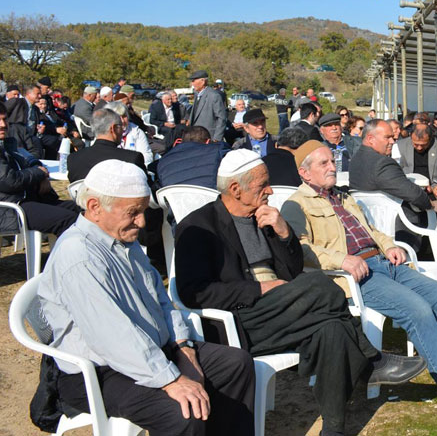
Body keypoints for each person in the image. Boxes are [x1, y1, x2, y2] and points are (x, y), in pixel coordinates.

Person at [176, 150, 424, 436]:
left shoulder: (264, 217)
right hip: (241, 322)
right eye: (262, 185)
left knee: (332, 329)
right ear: (235, 189)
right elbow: (194, 293)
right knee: (320, 284)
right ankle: (370, 360)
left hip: (285, 310)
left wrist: (284, 233)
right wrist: (259, 288)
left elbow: (293, 270)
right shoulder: (198, 227)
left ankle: (333, 430)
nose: (270, 191)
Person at [283, 145, 437, 408]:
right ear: (305, 173)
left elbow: (371, 230)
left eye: (331, 161)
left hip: (384, 262)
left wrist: (389, 245)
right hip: (356, 274)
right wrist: (342, 259)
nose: (332, 167)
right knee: (417, 309)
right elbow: (300, 249)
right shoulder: (296, 204)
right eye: (323, 163)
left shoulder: (342, 196)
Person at [39, 160, 256, 435]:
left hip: (151, 350)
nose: (141, 222)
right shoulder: (79, 256)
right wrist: (171, 379)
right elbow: (113, 337)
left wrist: (183, 346)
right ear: (95, 207)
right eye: (133, 213)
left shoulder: (121, 239)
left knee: (235, 364)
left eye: (142, 211)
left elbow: (161, 301)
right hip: (100, 371)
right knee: (182, 412)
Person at [0, 99, 79, 238]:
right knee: (68, 219)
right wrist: (39, 173)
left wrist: (40, 174)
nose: (2, 124)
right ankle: (67, 252)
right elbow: (10, 180)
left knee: (83, 211)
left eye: (4, 119)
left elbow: (31, 159)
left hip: (29, 199)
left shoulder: (8, 144)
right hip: (10, 208)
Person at [350, 120, 434, 254]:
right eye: (387, 137)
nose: (392, 141)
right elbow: (414, 195)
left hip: (369, 220)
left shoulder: (355, 159)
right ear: (370, 139)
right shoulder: (382, 163)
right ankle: (428, 255)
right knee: (434, 214)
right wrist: (429, 202)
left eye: (392, 137)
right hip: (396, 226)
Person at [67, 108, 147, 182]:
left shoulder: (73, 159)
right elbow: (145, 187)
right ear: (113, 129)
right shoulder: (132, 159)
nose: (123, 130)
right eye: (120, 126)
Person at [156, 126, 229, 189]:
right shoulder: (217, 150)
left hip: (173, 199)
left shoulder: (163, 160)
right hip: (209, 196)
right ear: (208, 141)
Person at [106, 101, 153, 166]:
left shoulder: (137, 132)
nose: (122, 121)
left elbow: (147, 155)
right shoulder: (104, 134)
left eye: (124, 116)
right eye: (118, 117)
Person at [187, 70, 226, 142]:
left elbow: (221, 118)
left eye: (193, 81)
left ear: (202, 81)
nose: (192, 83)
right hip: (195, 137)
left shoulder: (214, 96)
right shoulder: (197, 95)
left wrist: (217, 138)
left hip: (208, 137)